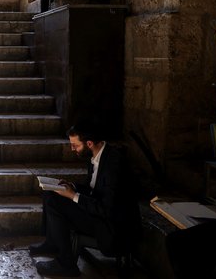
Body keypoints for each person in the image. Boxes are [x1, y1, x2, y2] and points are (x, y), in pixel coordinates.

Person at [29, 119, 141, 277]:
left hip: (112, 227)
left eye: (75, 145)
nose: (72, 149)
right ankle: (52, 243)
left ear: (89, 143)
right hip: (100, 214)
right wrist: (73, 187)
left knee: (56, 203)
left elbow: (106, 209)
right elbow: (93, 189)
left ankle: (66, 265)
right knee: (50, 193)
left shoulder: (114, 164)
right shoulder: (97, 155)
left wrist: (73, 196)